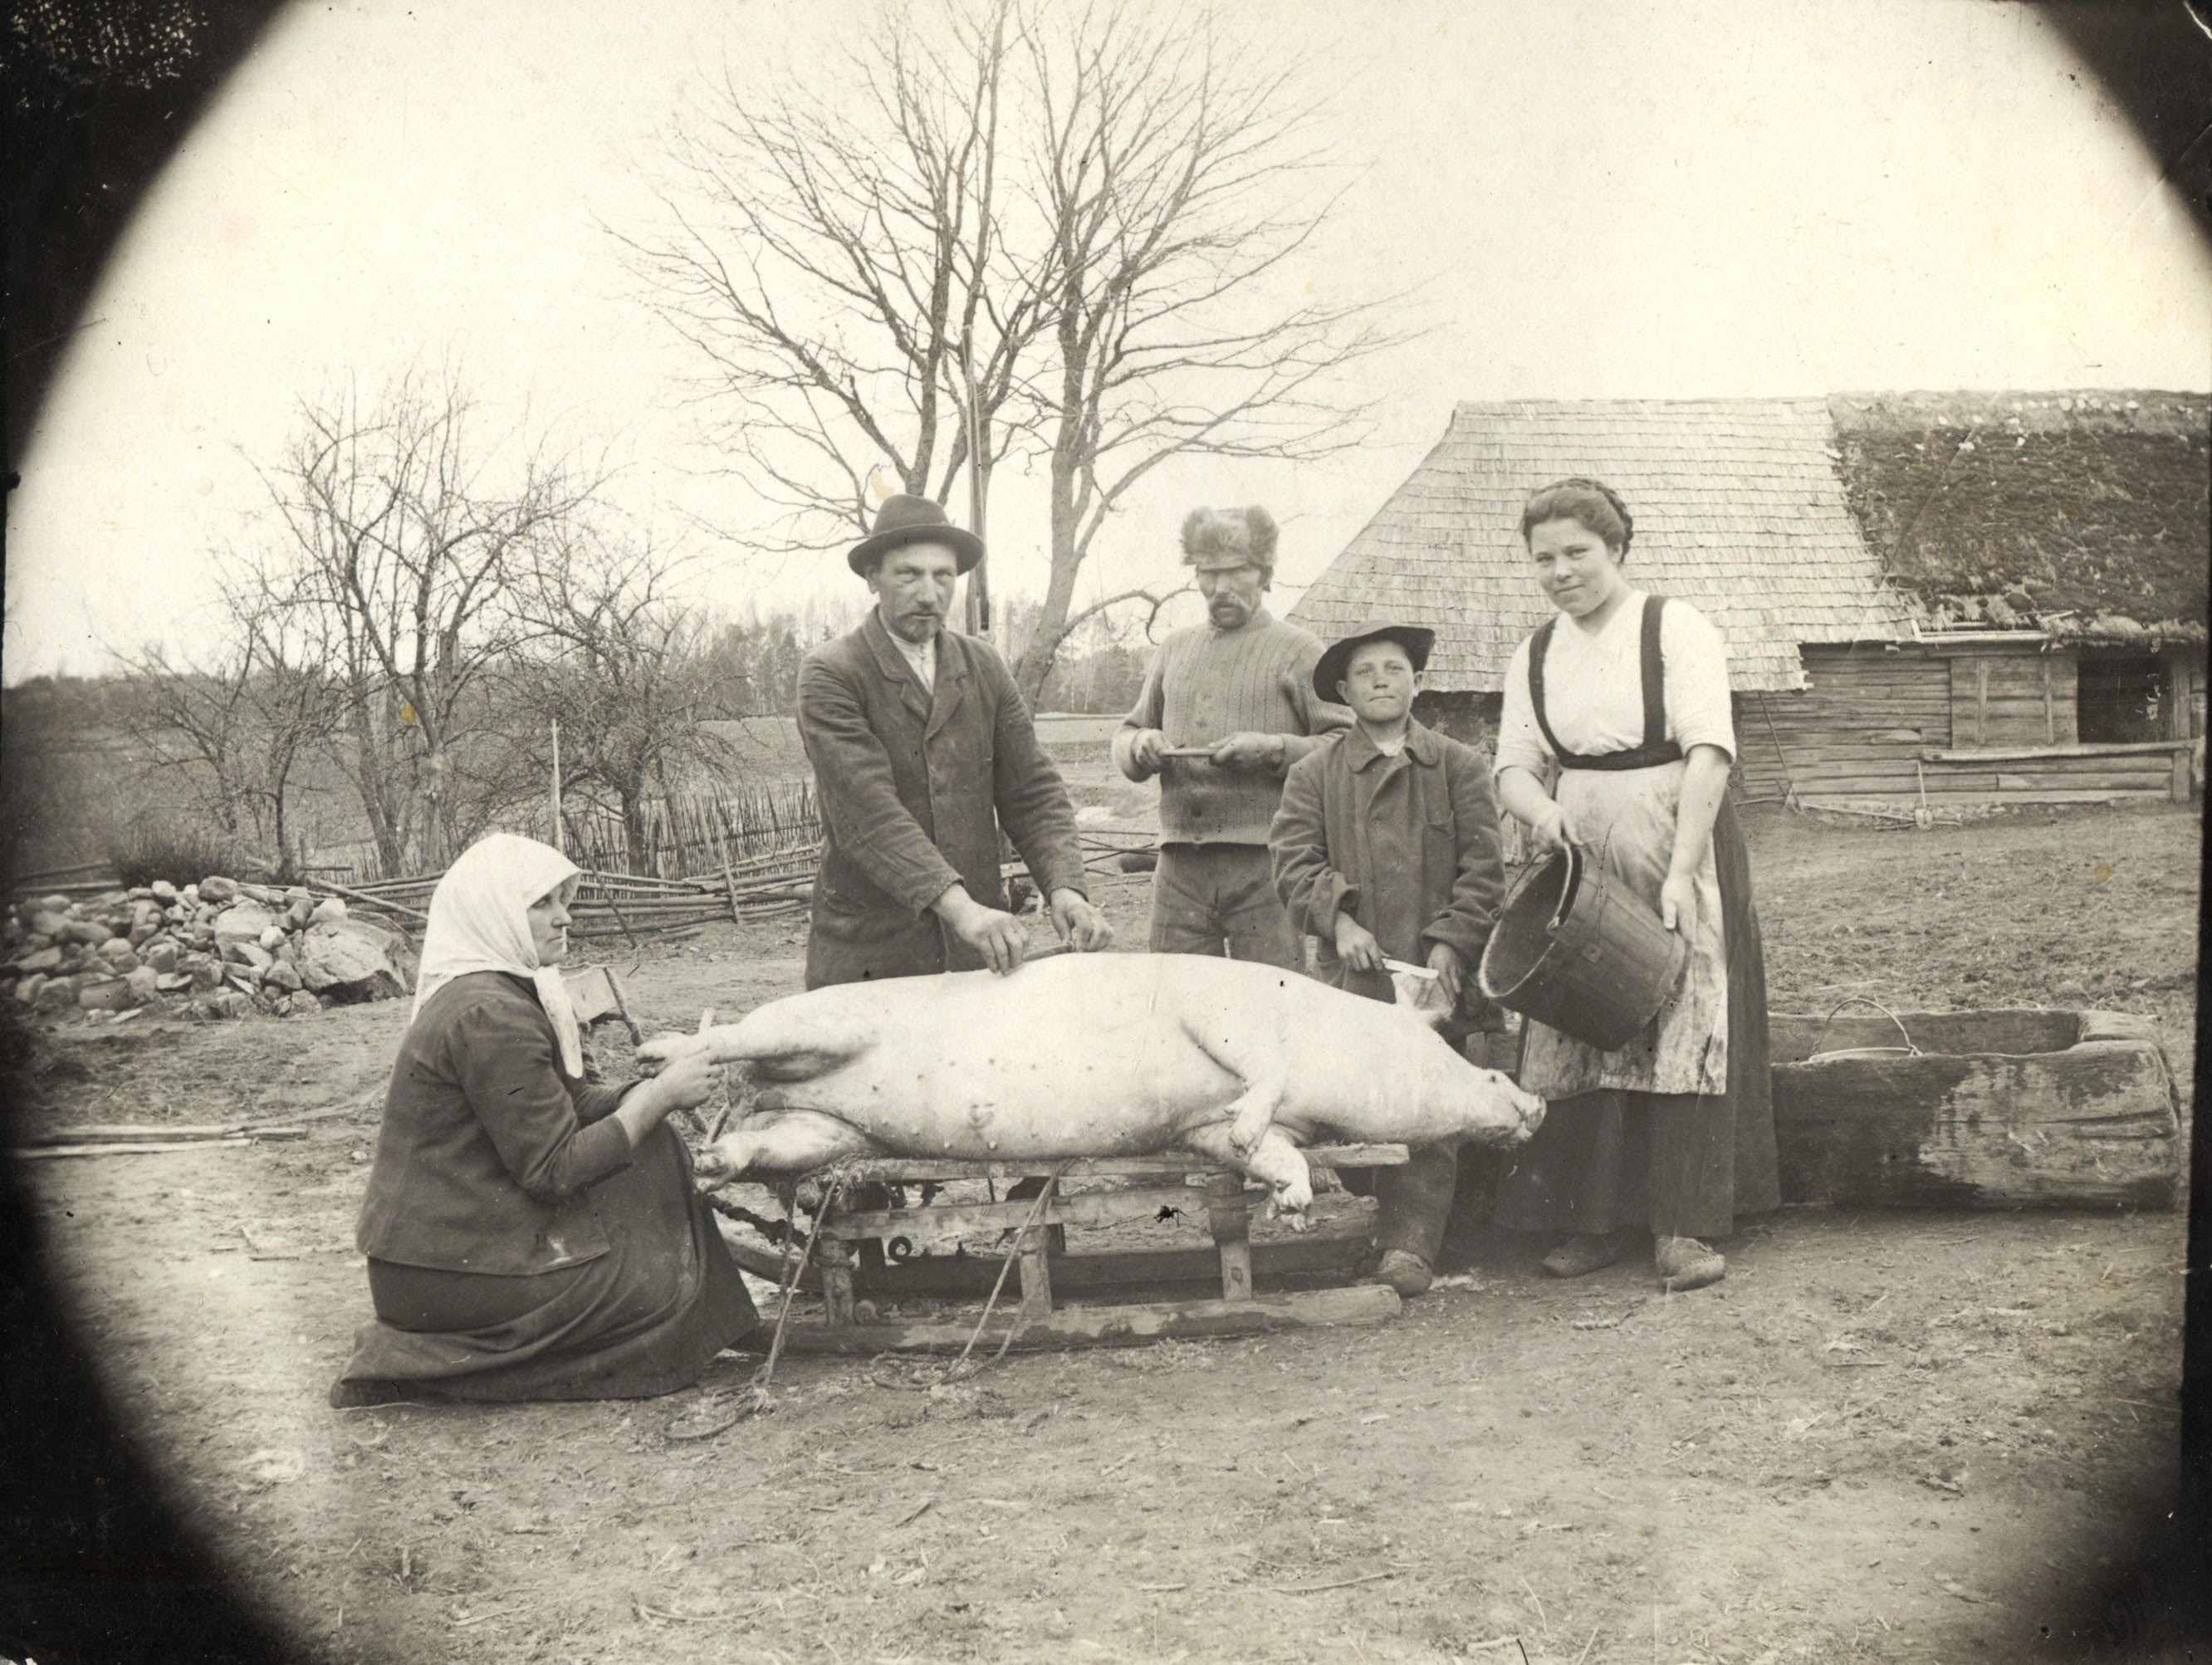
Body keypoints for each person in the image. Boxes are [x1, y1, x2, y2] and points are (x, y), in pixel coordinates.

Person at [331, 835, 756, 1407]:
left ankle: (710, 1316)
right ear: (497, 913)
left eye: (565, 900)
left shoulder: (498, 991)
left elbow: (569, 1105)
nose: (565, 918)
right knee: (659, 1287)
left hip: (441, 1250)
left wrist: (652, 1089)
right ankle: (420, 1365)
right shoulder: (491, 1015)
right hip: (441, 1276)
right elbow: (553, 1170)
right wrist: (658, 1098)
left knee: (653, 1159)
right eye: (544, 905)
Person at [1489, 478, 1779, 1292]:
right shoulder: (1535, 652)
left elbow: (1710, 753)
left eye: (1577, 552)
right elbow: (1513, 765)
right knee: (1579, 1024)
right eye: (1543, 558)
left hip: (1672, 829)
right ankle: (1591, 1225)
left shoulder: (1674, 627)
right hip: (1578, 844)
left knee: (1682, 1016)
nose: (1560, 571)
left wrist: (1683, 871)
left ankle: (1680, 1228)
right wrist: (1542, 812)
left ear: (1615, 549)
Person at [1270, 622, 1507, 1297]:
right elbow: (1291, 860)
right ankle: (1372, 1225)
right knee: (1353, 1097)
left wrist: (1452, 943)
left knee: (1429, 1099)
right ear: (1343, 691)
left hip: (1438, 976)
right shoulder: (1315, 774)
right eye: (1365, 671)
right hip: (1356, 976)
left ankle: (1412, 1244)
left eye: (1394, 668)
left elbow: (1485, 867)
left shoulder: (1459, 766)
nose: (1380, 680)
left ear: (1418, 682)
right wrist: (1337, 919)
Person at [799, 493, 1110, 988]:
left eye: (943, 576)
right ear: (872, 578)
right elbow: (868, 814)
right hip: (869, 951)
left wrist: (1065, 889)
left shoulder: (983, 665)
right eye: (908, 574)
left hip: (972, 953)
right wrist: (964, 911)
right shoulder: (832, 672)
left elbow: (1032, 792)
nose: (929, 593)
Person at [1115, 506, 1351, 967]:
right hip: (1178, 867)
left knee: (1268, 1006)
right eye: (1209, 573)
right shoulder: (1174, 649)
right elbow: (1130, 729)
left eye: (1237, 571)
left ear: (1264, 574)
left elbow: (1345, 745)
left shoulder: (1299, 649)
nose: (1221, 587)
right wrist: (1139, 747)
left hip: (1268, 867)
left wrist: (1275, 750)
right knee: (1173, 998)